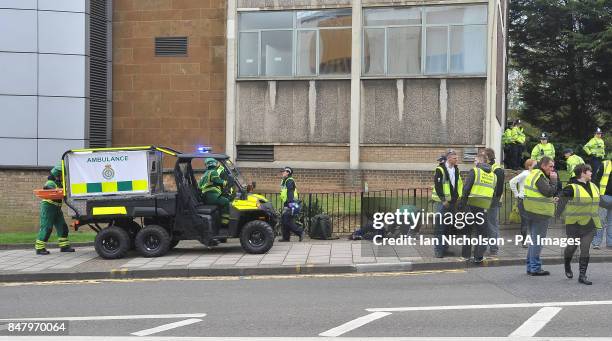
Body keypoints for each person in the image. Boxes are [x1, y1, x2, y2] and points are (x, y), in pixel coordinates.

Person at [556, 164, 602, 285]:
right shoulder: (572, 187)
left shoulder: (594, 186)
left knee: (585, 248)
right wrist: (558, 205)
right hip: (574, 224)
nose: (591, 173)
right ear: (583, 173)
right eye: (590, 171)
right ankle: (567, 264)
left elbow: (598, 202)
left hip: (590, 223)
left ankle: (582, 275)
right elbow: (562, 197)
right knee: (572, 247)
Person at [523, 156, 559, 276]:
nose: (552, 169)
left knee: (534, 240)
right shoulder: (539, 176)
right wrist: (554, 181)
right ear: (543, 165)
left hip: (530, 209)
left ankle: (530, 266)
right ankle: (535, 268)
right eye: (550, 166)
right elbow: (548, 192)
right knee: (537, 241)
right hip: (540, 212)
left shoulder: (533, 173)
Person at [458, 152, 496, 263]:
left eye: (475, 161)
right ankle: (478, 256)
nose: (474, 163)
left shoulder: (475, 171)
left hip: (471, 205)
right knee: (482, 232)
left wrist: (461, 204)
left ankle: (466, 256)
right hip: (483, 207)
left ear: (479, 161)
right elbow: (493, 193)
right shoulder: (493, 175)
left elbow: (466, 189)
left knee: (467, 231)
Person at [35, 164, 75, 255]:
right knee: (47, 228)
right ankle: (39, 248)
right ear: (57, 174)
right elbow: (46, 188)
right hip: (49, 208)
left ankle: (64, 246)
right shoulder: (50, 183)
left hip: (57, 208)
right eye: (61, 175)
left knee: (63, 227)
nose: (63, 177)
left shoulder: (59, 183)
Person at [431, 150, 463, 258]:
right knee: (440, 227)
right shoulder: (440, 170)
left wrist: (457, 198)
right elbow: (438, 186)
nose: (457, 159)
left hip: (452, 203)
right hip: (442, 203)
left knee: (448, 227)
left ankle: (445, 248)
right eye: (455, 158)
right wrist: (443, 200)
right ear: (449, 158)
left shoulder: (456, 169)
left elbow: (458, 184)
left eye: (457, 158)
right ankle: (438, 250)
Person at [509, 159, 537, 248]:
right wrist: (516, 194)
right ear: (529, 166)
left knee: (531, 221)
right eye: (534, 165)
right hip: (524, 199)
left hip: (531, 200)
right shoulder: (525, 174)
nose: (537, 166)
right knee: (525, 222)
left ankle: (531, 240)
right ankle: (524, 241)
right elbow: (512, 182)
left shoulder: (535, 174)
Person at [484, 148, 504, 255]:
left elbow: (499, 189)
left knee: (492, 225)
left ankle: (493, 248)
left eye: (484, 156)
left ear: (487, 157)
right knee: (486, 224)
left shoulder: (497, 169)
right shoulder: (486, 168)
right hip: (484, 200)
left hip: (492, 201)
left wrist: (493, 200)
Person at [199, 158, 230, 225]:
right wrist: (226, 182)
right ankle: (225, 223)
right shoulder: (213, 172)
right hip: (211, 195)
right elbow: (217, 180)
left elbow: (200, 186)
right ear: (214, 163)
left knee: (223, 199)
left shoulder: (205, 174)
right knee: (226, 201)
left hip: (206, 196)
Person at [279, 166, 304, 242]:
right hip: (287, 203)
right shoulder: (285, 180)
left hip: (290, 203)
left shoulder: (289, 181)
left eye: (284, 171)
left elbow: (290, 193)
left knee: (287, 221)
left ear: (288, 173)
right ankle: (286, 238)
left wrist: (290, 204)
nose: (282, 173)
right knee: (284, 221)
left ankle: (300, 232)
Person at [592, 158, 612, 249]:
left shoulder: (606, 164)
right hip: (604, 197)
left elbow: (596, 179)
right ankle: (598, 242)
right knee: (602, 221)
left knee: (602, 221)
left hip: (604, 196)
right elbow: (596, 180)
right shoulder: (606, 164)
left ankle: (598, 242)